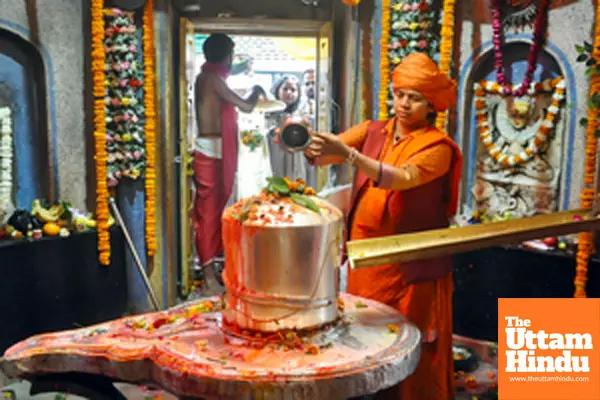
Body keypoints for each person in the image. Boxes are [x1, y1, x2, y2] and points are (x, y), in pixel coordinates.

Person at [304, 53, 463, 400]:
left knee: (407, 342)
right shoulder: (375, 130)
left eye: (414, 97)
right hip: (366, 258)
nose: (403, 104)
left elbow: (402, 178)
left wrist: (349, 155)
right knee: (365, 336)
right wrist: (305, 141)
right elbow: (326, 152)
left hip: (409, 264)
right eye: (399, 93)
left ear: (431, 104)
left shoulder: (438, 148)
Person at [193, 33, 265, 270]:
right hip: (210, 151)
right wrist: (256, 90)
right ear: (227, 57)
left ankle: (212, 266)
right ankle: (207, 275)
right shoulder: (211, 79)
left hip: (213, 149)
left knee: (213, 212)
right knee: (208, 215)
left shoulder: (209, 77)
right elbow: (245, 106)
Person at [266, 75, 313, 184]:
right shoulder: (268, 113)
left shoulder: (302, 114)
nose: (289, 93)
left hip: (296, 158)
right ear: (277, 90)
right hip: (275, 155)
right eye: (285, 89)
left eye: (293, 90)